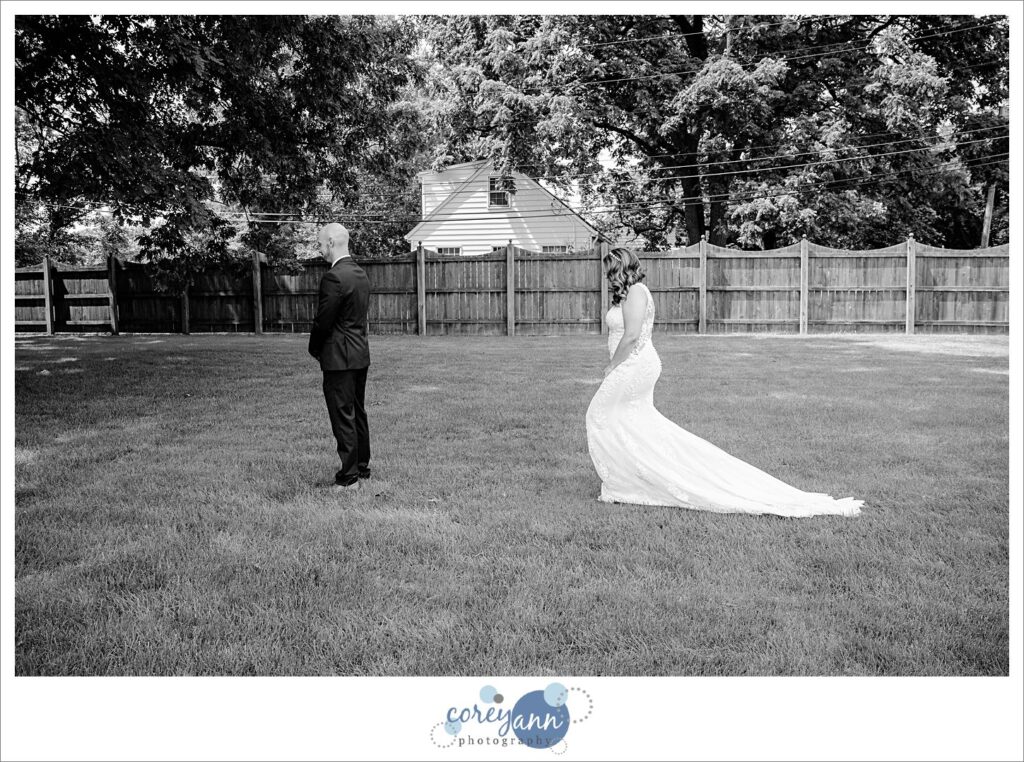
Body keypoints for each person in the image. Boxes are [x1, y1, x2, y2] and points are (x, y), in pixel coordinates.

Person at [585, 247, 863, 517]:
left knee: (598, 415)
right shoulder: (629, 294)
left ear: (622, 268)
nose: (607, 276)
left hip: (632, 365)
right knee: (630, 422)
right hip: (633, 364)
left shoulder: (635, 291)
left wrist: (612, 365)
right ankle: (630, 479)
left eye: (610, 270)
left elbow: (632, 335)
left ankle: (633, 478)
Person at [309, 223, 371, 490]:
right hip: (359, 353)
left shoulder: (333, 277)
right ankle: (361, 467)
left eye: (321, 244)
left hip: (339, 358)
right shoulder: (360, 274)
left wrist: (314, 348)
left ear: (332, 243)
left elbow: (323, 321)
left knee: (342, 415)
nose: (320, 249)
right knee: (357, 412)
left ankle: (348, 479)